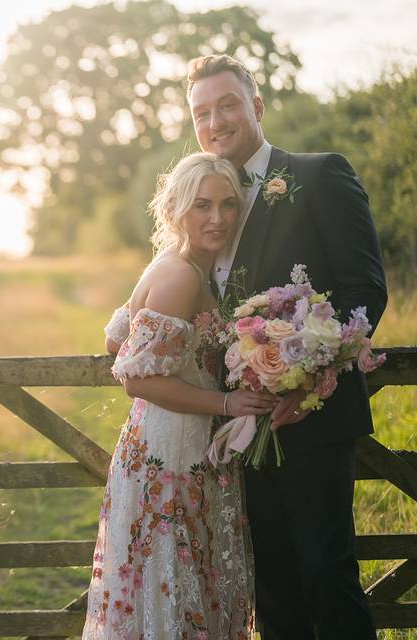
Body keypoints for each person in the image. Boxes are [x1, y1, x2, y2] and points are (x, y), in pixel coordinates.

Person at [186, 54, 387, 639]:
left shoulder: (320, 174)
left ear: (258, 106)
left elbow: (364, 292)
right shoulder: (204, 199)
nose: (216, 120)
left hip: (314, 421)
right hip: (238, 431)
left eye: (227, 104)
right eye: (202, 112)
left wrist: (307, 380)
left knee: (327, 576)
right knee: (270, 587)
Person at [82, 152, 278, 639]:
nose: (218, 218)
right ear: (175, 210)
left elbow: (115, 339)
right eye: (202, 206)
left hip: (172, 446)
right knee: (173, 584)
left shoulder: (176, 264)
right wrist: (227, 404)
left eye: (229, 205)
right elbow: (136, 379)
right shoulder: (180, 275)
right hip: (171, 457)